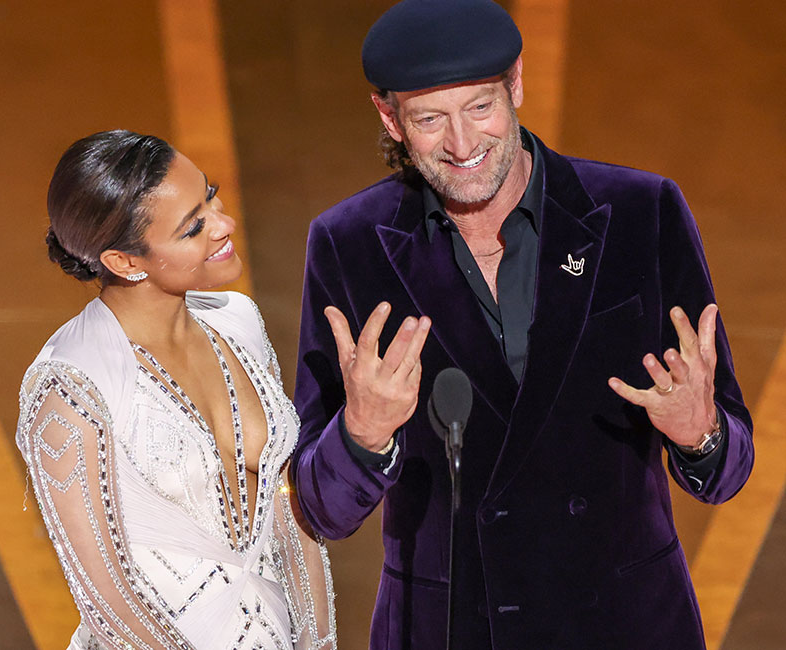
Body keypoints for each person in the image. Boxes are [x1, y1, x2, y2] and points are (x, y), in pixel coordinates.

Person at [290, 1, 753, 648]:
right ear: (389, 119)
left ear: (516, 86)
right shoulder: (349, 245)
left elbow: (729, 469)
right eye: (429, 119)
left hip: (626, 626)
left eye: (480, 107)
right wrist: (362, 435)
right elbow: (322, 511)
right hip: (448, 630)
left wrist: (700, 436)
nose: (461, 145)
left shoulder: (641, 213)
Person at [16, 130, 336, 649]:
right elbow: (108, 600)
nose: (224, 225)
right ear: (125, 262)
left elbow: (286, 512)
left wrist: (318, 644)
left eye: (210, 196)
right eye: (193, 227)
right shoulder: (69, 385)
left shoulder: (238, 322)